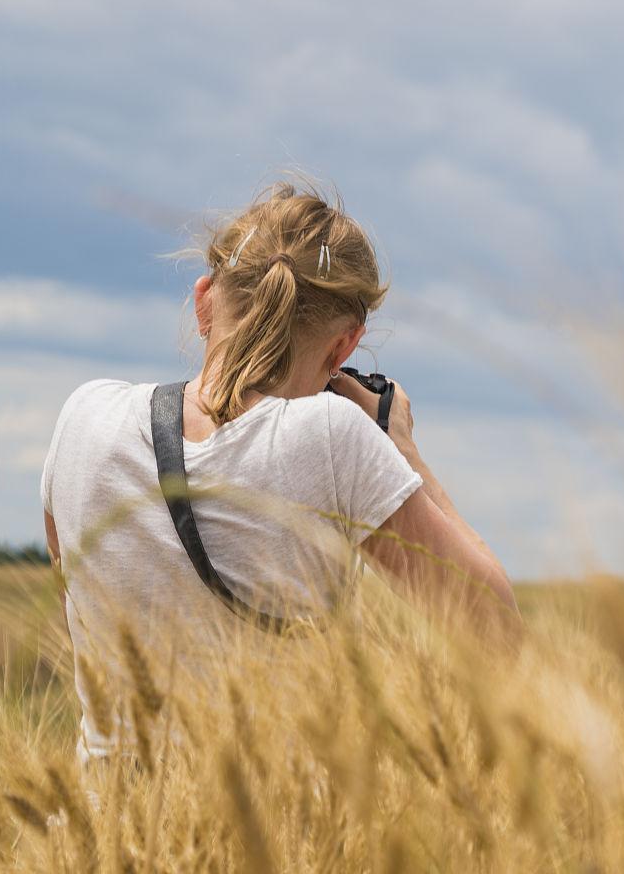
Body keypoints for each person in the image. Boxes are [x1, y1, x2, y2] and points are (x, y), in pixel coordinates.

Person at [41, 180, 522, 765]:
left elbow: (77, 594)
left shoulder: (84, 415)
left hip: (104, 838)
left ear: (204, 301)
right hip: (274, 847)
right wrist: (402, 450)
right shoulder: (332, 437)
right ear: (343, 347)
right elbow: (497, 633)